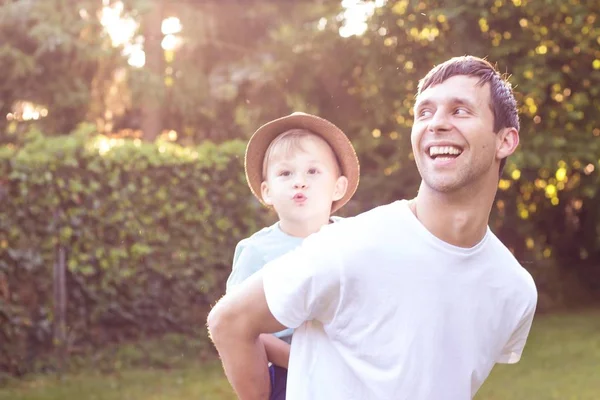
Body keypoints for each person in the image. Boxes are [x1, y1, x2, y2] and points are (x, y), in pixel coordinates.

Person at [207, 56, 538, 400]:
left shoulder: (514, 290)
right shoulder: (347, 246)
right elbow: (229, 323)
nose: (436, 123)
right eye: (424, 112)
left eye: (459, 110)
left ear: (506, 140)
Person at [223, 112, 360, 400]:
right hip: (289, 374)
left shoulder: (354, 239)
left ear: (339, 186)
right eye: (286, 173)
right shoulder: (257, 252)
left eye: (313, 171)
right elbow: (238, 327)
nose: (300, 182)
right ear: (267, 191)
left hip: (352, 368)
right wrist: (302, 360)